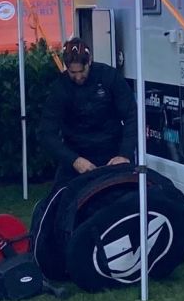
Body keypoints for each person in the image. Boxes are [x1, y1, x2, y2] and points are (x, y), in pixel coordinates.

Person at [38, 38, 137, 189]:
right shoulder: (60, 88)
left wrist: (124, 154)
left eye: (81, 71)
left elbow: (132, 114)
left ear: (89, 61)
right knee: (60, 198)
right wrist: (74, 160)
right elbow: (47, 132)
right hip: (76, 155)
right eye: (72, 72)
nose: (78, 77)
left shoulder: (109, 76)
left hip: (112, 154)